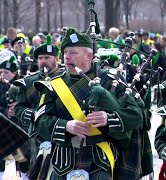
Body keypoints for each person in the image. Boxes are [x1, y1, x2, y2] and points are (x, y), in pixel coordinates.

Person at [33, 27, 143, 179]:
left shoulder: (110, 81)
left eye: (73, 52)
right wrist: (65, 126)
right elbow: (40, 121)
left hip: (99, 160)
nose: (67, 57)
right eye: (65, 53)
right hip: (62, 162)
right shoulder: (53, 85)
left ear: (89, 56)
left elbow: (136, 115)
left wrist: (108, 118)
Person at [13, 35, 63, 179]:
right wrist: (32, 115)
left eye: (47, 57)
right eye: (40, 58)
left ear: (56, 59)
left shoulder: (66, 79)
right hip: (37, 135)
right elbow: (19, 107)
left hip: (60, 135)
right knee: (37, 172)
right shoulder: (28, 82)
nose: (43, 61)